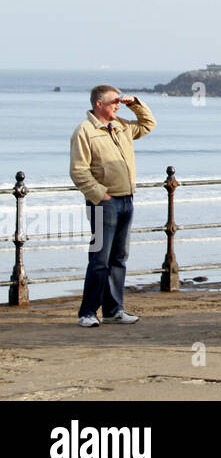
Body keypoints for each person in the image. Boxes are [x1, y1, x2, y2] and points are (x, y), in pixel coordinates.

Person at [69, 85, 157, 327]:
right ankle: (87, 312)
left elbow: (149, 124)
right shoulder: (84, 131)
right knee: (100, 258)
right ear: (99, 104)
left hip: (127, 199)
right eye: (113, 102)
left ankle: (113, 309)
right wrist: (100, 194)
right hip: (103, 203)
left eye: (120, 102)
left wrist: (135, 103)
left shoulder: (122, 126)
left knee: (119, 257)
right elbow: (78, 170)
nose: (118, 106)